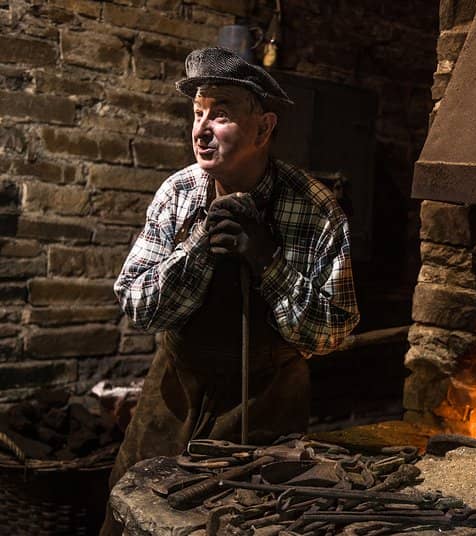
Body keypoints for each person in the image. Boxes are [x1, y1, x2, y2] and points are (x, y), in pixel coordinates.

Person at [101, 47, 359, 534]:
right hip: (175, 392)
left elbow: (331, 334)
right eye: (197, 113)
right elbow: (137, 305)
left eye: (220, 115)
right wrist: (199, 245)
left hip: (266, 404)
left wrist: (267, 260)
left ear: (264, 128)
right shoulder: (179, 193)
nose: (201, 129)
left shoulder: (314, 209)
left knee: (243, 521)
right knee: (131, 515)